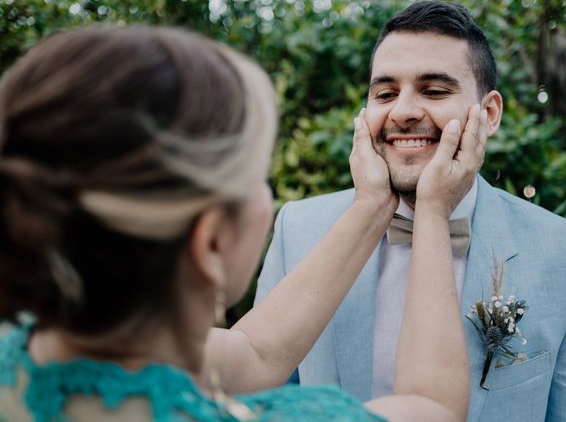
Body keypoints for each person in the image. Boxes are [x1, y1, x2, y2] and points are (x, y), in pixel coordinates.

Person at [0, 25, 487, 421]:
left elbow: (254, 353)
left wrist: (373, 206)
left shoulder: (22, 354)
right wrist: (433, 211)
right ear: (210, 241)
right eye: (258, 174)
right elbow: (433, 407)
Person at [256, 0, 566, 421]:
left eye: (434, 91)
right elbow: (261, 403)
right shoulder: (298, 229)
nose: (404, 111)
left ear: (488, 114)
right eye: (385, 93)